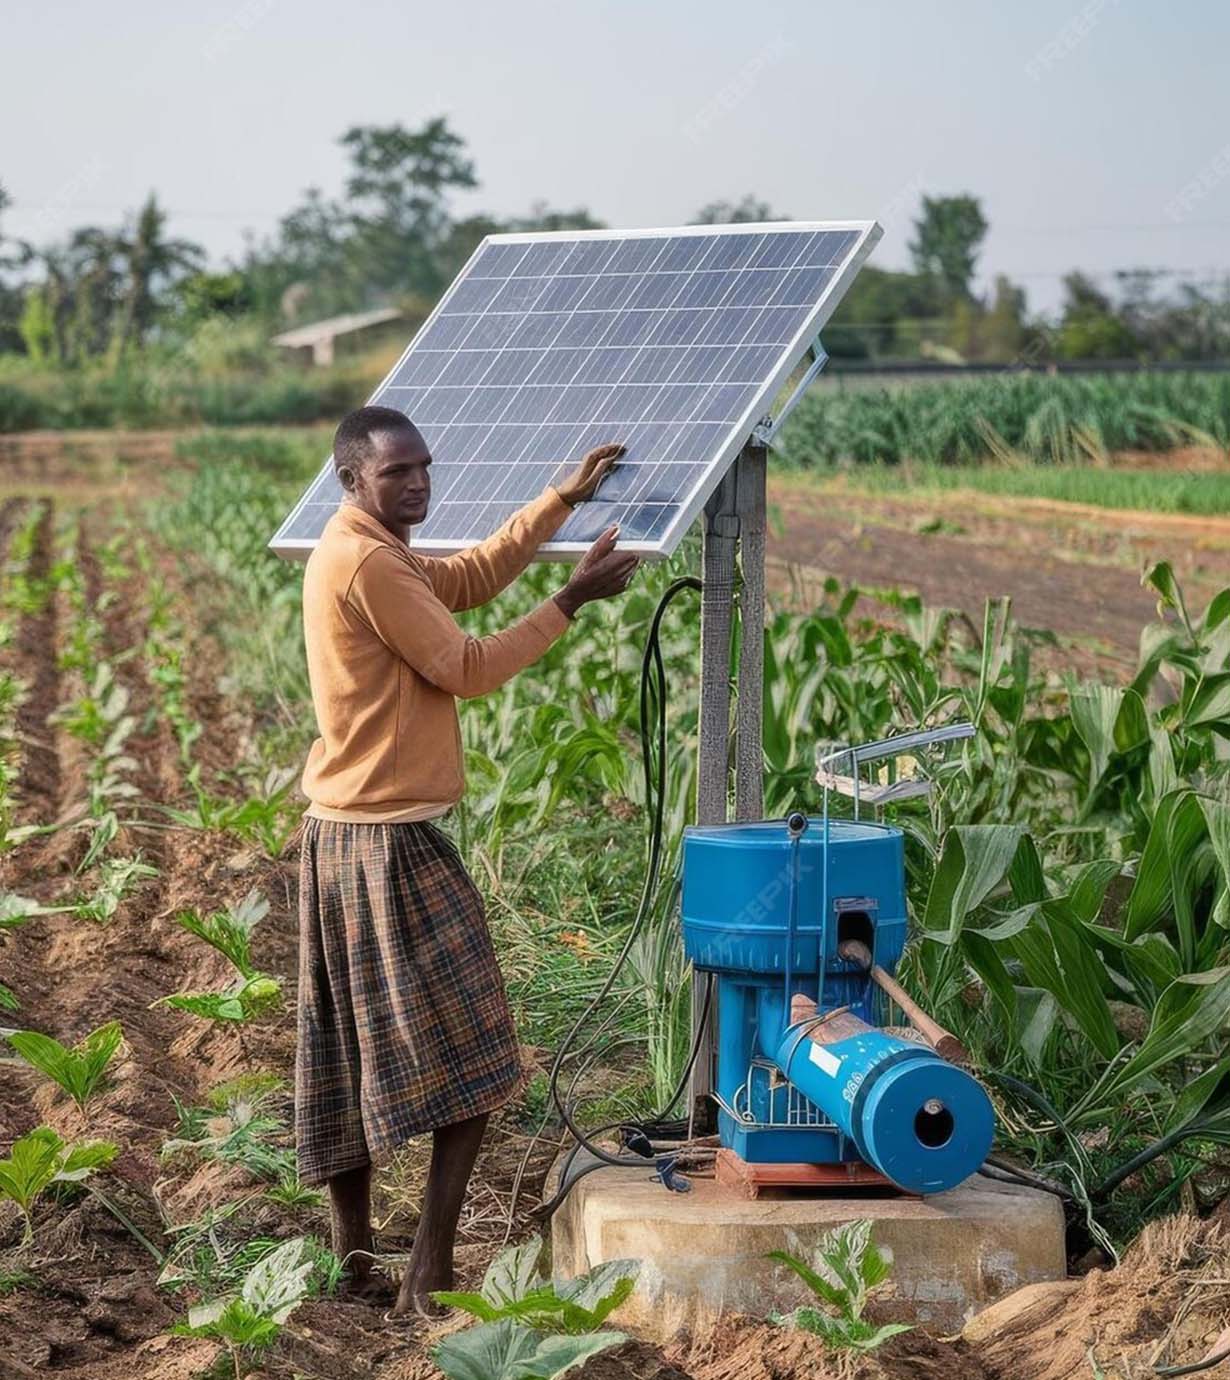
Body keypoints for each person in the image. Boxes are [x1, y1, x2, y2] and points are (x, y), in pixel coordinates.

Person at [294, 404, 638, 1318]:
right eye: (396, 472)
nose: (418, 483)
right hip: (385, 840)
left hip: (348, 832)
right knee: (480, 1054)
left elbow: (469, 577)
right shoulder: (367, 558)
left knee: (350, 1054)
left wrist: (560, 499)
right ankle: (427, 1272)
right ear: (352, 479)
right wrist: (572, 601)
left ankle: (356, 1258)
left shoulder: (368, 545)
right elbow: (467, 666)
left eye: (423, 468)